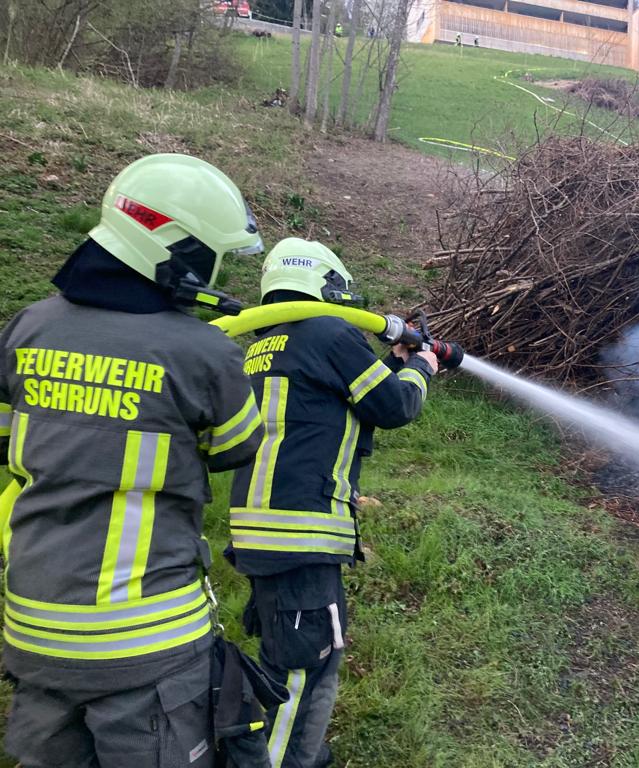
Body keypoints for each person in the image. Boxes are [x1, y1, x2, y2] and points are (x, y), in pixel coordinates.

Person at [0, 154, 266, 767]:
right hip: (145, 638)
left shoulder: (26, 328)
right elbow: (236, 446)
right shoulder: (204, 353)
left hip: (33, 627)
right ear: (177, 248)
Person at [226, 238, 438, 768]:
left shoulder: (266, 343)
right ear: (324, 284)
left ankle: (298, 751)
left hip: (262, 530)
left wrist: (393, 360)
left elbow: (342, 398)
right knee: (301, 667)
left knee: (298, 654)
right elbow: (394, 405)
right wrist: (422, 367)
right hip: (300, 533)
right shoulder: (330, 332)